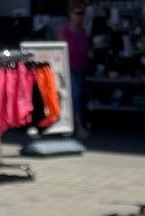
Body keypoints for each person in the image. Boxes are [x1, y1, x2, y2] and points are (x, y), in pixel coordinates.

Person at [60, 0, 90, 137]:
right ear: (70, 14)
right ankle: (78, 126)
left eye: (82, 13)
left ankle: (73, 125)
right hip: (68, 68)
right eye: (77, 13)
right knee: (75, 95)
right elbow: (60, 51)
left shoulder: (82, 31)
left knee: (78, 96)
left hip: (80, 67)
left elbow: (85, 49)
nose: (80, 16)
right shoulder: (65, 32)